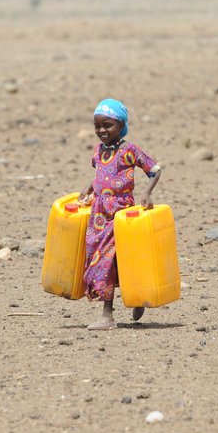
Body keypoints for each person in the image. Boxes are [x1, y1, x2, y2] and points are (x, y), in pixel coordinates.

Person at [77, 98, 163, 330]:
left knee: (121, 260)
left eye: (108, 125)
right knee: (103, 261)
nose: (102, 130)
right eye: (97, 126)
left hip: (122, 215)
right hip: (98, 216)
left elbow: (154, 170)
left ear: (121, 125)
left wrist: (147, 193)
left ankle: (117, 309)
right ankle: (118, 308)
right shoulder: (98, 151)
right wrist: (88, 188)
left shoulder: (129, 150)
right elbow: (100, 175)